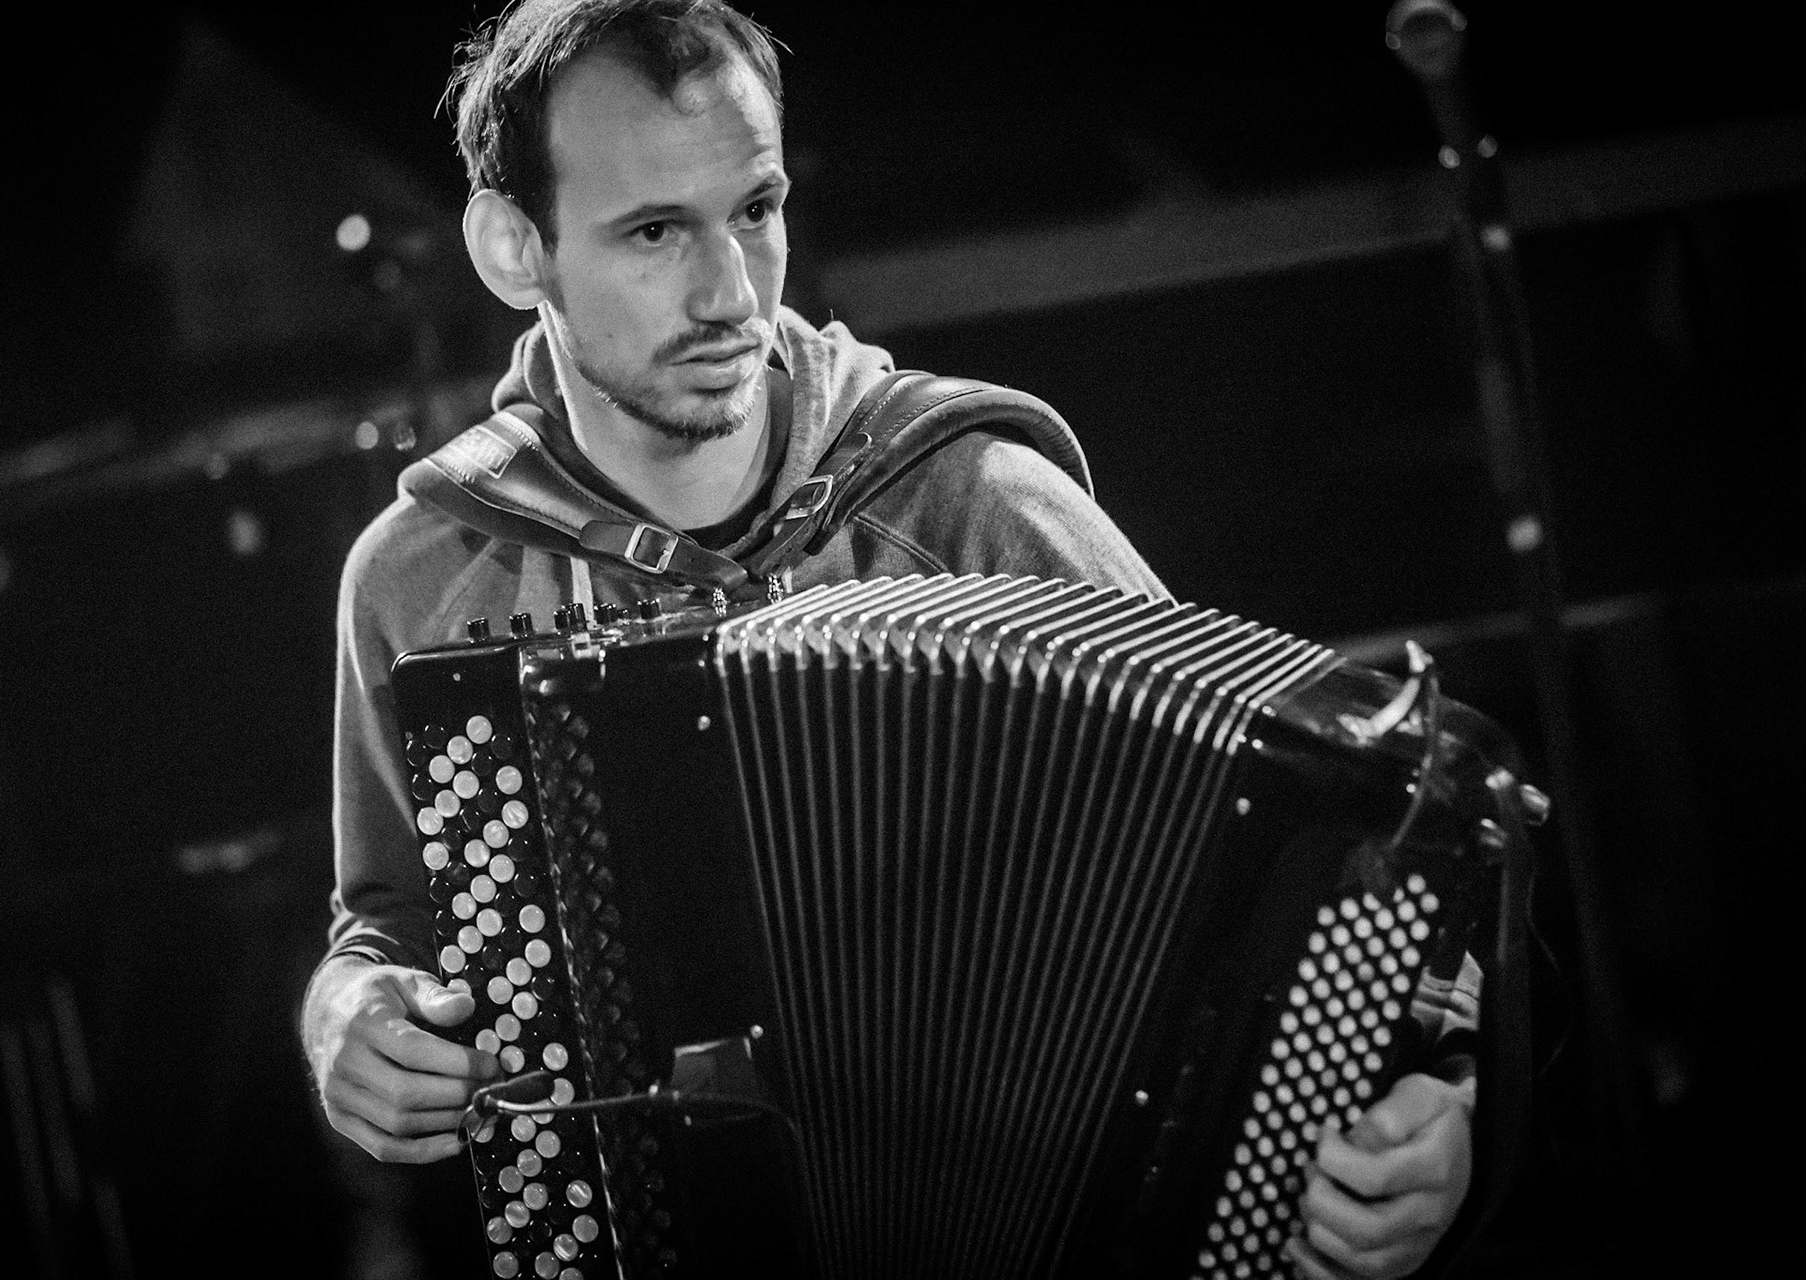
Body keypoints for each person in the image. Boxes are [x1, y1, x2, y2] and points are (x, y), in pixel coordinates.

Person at [299, 3, 1479, 1276]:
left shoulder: (967, 497)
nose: (731, 291)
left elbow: (1295, 844)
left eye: (755, 209)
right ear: (513, 246)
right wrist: (346, 1018)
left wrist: (1444, 1104)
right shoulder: (424, 579)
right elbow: (384, 928)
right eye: (653, 232)